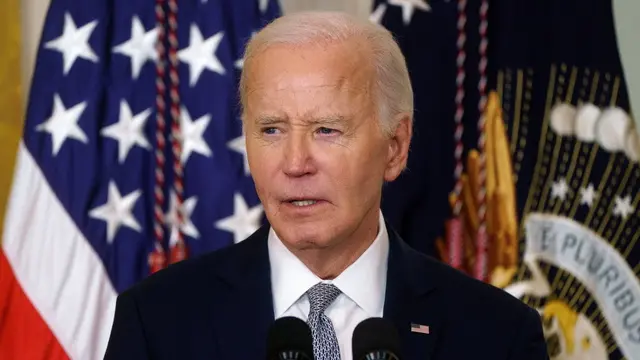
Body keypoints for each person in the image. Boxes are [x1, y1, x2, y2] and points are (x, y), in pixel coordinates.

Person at [103, 11, 548, 360]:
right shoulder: (157, 322)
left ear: (395, 147)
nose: (295, 164)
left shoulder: (498, 335)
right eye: (272, 130)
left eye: (327, 131)